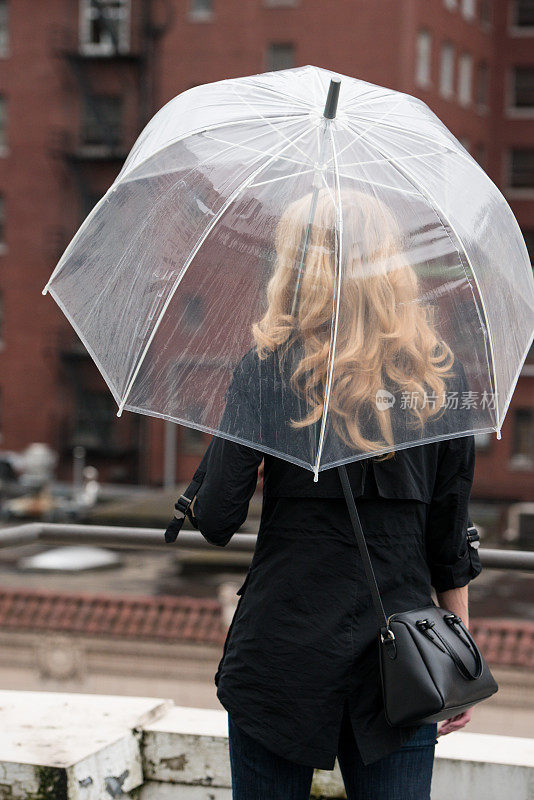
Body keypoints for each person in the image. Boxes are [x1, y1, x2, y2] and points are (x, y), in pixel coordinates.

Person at [167, 187, 483, 799]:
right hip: (404, 661)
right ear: (390, 262)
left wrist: (247, 426)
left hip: (281, 651)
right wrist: (459, 650)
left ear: (296, 266)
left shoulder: (266, 367)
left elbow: (215, 518)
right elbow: (449, 535)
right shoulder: (441, 379)